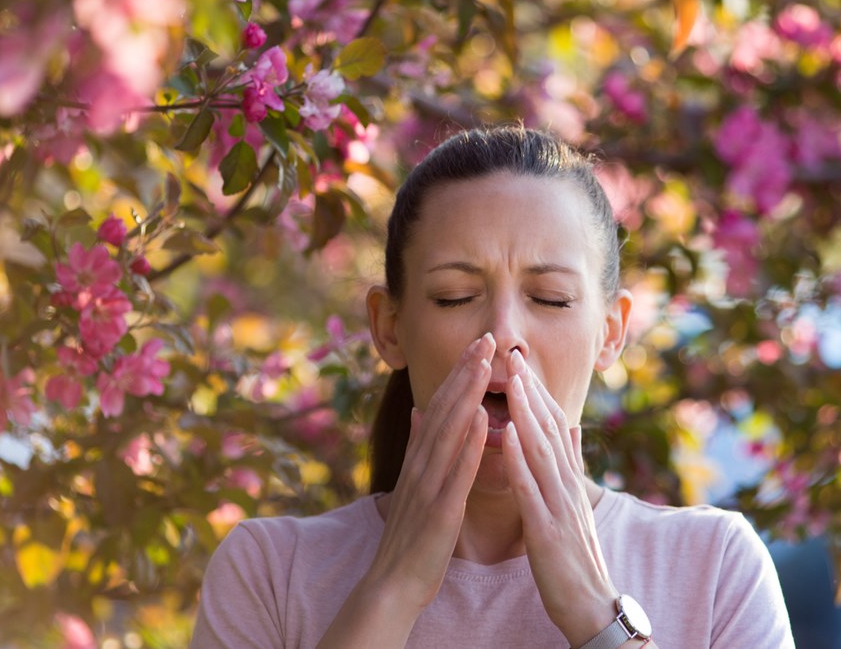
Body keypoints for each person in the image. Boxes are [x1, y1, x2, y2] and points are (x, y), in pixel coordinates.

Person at [190, 126, 795, 648]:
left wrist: (595, 613)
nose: (503, 335)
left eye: (550, 298)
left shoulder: (714, 566)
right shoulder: (269, 571)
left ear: (611, 333)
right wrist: (393, 589)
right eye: (455, 297)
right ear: (390, 327)